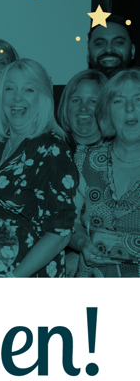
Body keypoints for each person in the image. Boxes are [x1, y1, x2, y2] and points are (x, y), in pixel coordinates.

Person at [0, 58, 79, 277]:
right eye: (10, 89)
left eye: (28, 89)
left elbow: (60, 234)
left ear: (43, 97)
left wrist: (12, 280)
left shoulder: (53, 151)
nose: (17, 97)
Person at [70, 69, 140, 277]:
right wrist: (82, 243)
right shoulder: (84, 161)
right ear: (107, 113)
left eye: (138, 99)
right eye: (118, 101)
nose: (129, 108)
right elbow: (69, 222)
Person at [59, 70, 109, 149]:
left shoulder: (121, 151)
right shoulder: (50, 149)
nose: (83, 108)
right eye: (76, 100)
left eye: (93, 101)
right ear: (65, 106)